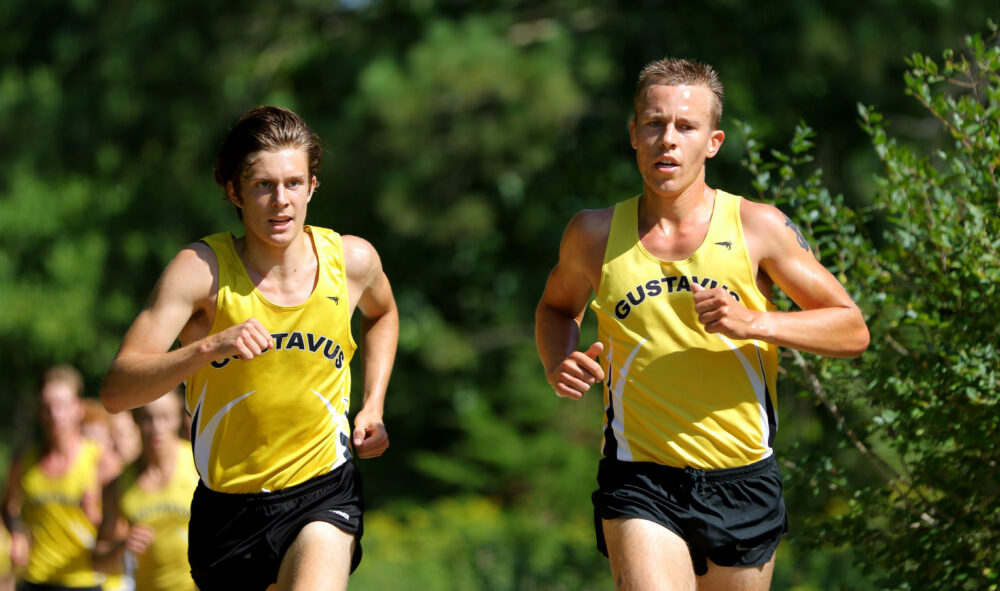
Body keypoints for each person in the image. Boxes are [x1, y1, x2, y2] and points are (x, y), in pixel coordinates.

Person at [534, 58, 870, 591]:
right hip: (639, 476)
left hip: (743, 477)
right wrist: (558, 361)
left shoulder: (758, 226)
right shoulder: (594, 234)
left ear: (712, 142)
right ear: (633, 134)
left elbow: (852, 329)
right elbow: (556, 309)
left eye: (685, 127)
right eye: (654, 123)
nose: (668, 139)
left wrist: (756, 321)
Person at [99, 105, 399, 591]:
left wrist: (374, 404)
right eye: (263, 185)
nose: (281, 201)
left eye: (294, 183)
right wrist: (209, 345)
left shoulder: (352, 261)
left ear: (313, 185)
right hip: (229, 511)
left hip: (323, 490)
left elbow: (382, 314)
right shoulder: (201, 272)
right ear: (233, 191)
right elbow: (116, 391)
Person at [2, 365, 117, 591]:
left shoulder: (101, 460)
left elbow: (121, 525)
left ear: (78, 408)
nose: (55, 414)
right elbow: (8, 508)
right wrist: (16, 534)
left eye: (62, 406)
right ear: (38, 411)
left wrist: (96, 516)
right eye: (47, 407)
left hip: (84, 579)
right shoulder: (24, 462)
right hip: (35, 580)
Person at [93, 389, 198, 591]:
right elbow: (98, 561)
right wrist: (122, 546)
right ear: (135, 420)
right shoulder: (120, 485)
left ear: (178, 418)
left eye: (164, 417)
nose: (157, 427)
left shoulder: (199, 466)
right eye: (148, 418)